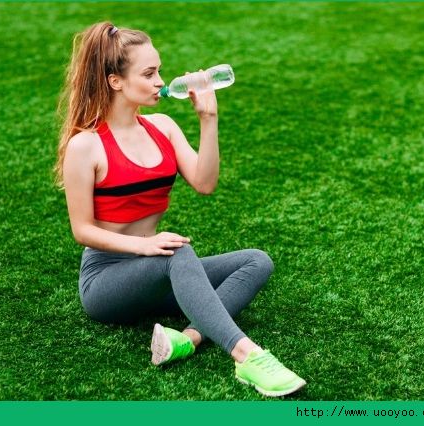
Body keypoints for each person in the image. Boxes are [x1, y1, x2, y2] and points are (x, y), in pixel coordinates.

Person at [54, 22, 306, 398]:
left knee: (256, 261)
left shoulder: (163, 127)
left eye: (159, 70)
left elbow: (204, 183)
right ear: (115, 81)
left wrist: (208, 119)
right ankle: (248, 356)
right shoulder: (86, 147)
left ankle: (186, 338)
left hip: (155, 268)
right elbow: (82, 230)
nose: (161, 81)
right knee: (178, 251)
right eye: (149, 73)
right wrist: (144, 245)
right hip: (106, 281)